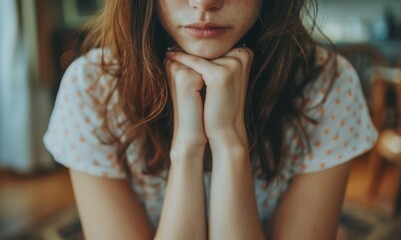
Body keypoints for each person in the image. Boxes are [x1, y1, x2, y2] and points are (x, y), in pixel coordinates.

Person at [43, 0, 378, 239]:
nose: (203, 3)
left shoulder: (326, 84)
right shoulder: (92, 87)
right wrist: (187, 149)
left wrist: (230, 144)